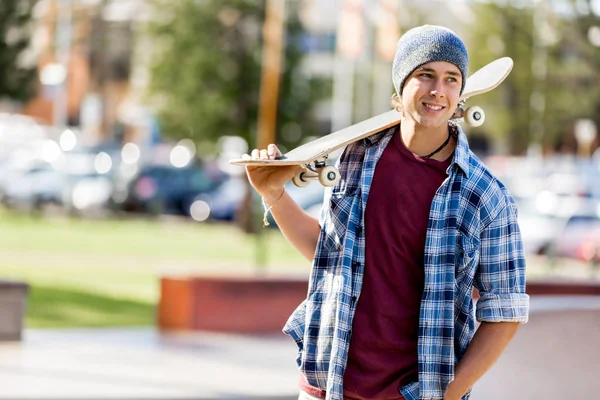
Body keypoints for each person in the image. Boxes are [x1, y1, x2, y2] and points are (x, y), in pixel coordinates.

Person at [243, 25, 529, 400]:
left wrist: (448, 394)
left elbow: (504, 313)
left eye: (450, 79)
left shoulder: (485, 195)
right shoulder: (358, 158)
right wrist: (274, 195)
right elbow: (328, 252)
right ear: (400, 89)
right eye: (425, 75)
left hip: (414, 392)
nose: (437, 90)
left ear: (460, 94)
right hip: (328, 383)